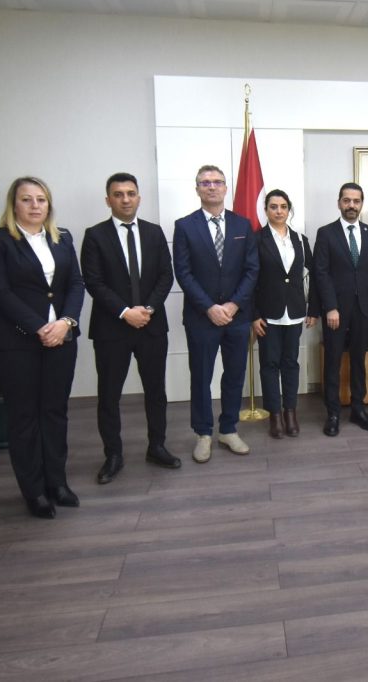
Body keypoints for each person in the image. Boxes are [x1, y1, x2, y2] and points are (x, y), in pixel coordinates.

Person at [0, 176, 85, 519]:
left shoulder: (62, 237)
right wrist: (40, 327)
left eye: (41, 199)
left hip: (61, 339)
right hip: (15, 344)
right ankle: (34, 491)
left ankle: (57, 482)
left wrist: (66, 322)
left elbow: (76, 283)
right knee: (24, 417)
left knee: (54, 412)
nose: (35, 205)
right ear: (14, 205)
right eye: (26, 199)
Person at [80, 173, 177, 485]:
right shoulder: (95, 235)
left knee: (156, 391)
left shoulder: (154, 232)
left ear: (139, 197)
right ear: (108, 199)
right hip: (112, 328)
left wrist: (148, 309)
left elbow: (166, 275)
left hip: (151, 325)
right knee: (109, 395)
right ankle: (113, 454)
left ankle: (157, 446)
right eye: (118, 194)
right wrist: (125, 312)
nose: (125, 199)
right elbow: (93, 281)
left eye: (131, 193)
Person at [173, 164, 258, 462]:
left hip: (237, 317)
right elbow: (183, 273)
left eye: (217, 182)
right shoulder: (185, 226)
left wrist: (233, 305)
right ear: (197, 189)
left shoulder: (242, 225)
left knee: (234, 375)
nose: (211, 187)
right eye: (205, 182)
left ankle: (228, 429)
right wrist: (209, 307)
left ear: (225, 187)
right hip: (201, 317)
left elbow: (252, 270)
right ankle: (203, 433)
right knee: (201, 377)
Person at [313, 182, 368, 437]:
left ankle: (358, 408)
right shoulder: (326, 233)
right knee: (332, 361)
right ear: (339, 203)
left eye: (356, 201)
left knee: (358, 360)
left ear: (361, 204)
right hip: (336, 311)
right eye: (347, 200)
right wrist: (330, 307)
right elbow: (321, 273)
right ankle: (333, 413)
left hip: (364, 308)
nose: (351, 205)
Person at [253, 189, 319, 438]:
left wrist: (313, 309)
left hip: (295, 312)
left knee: (290, 363)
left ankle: (290, 412)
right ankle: (275, 415)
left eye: (283, 206)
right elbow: (250, 279)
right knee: (269, 364)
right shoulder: (256, 240)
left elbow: (315, 275)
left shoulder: (300, 239)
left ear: (289, 209)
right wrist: (253, 315)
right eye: (273, 206)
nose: (279, 211)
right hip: (267, 314)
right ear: (266, 210)